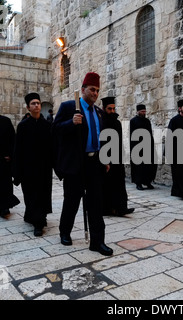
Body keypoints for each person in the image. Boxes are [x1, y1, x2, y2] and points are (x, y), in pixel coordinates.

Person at [52, 72, 113, 256]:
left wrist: (105, 158)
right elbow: (55, 130)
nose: (95, 93)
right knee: (72, 200)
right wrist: (71, 123)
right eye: (92, 89)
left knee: (96, 202)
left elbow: (101, 137)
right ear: (83, 89)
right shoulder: (70, 107)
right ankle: (65, 232)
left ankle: (97, 241)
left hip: (94, 163)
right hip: (76, 163)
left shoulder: (99, 112)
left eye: (97, 90)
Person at [13, 93, 53, 236]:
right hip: (28, 169)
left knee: (43, 194)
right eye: (33, 103)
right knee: (31, 194)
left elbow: (52, 147)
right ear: (28, 107)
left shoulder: (47, 125)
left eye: (38, 103)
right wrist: (17, 171)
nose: (37, 105)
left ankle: (39, 219)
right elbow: (18, 149)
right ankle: (37, 221)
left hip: (44, 168)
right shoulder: (23, 126)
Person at [101, 96, 134, 216]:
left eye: (114, 108)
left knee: (119, 184)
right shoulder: (101, 122)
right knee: (107, 185)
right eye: (109, 109)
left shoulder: (116, 122)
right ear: (104, 108)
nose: (112, 111)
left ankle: (121, 207)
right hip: (106, 158)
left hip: (118, 157)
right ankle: (108, 208)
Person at [129, 104, 157, 190]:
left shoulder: (147, 121)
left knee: (149, 165)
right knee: (139, 167)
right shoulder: (133, 121)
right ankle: (138, 183)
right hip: (138, 147)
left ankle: (148, 181)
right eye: (142, 111)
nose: (144, 113)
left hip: (147, 146)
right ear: (138, 112)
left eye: (144, 111)